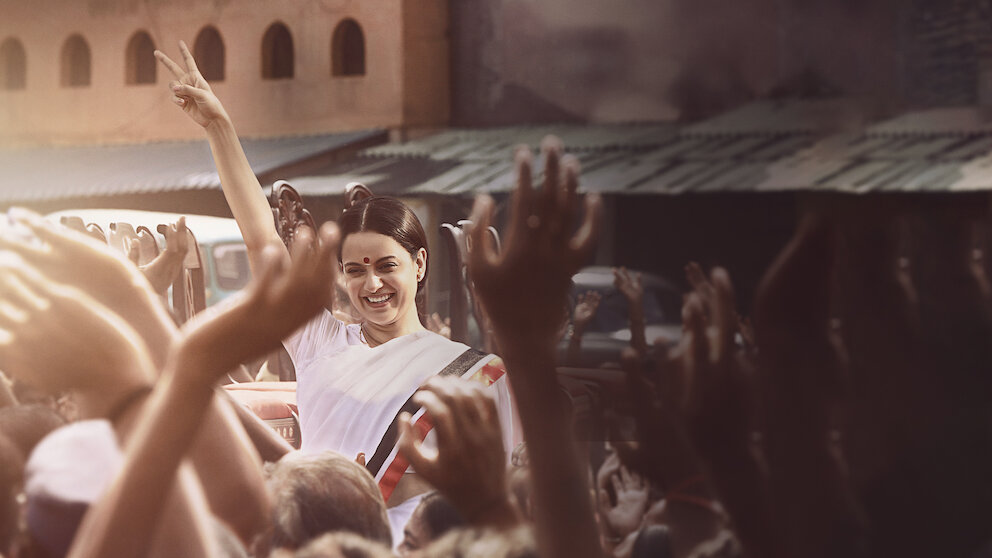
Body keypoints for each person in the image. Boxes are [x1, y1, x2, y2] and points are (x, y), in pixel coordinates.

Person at [154, 41, 520, 539]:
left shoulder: (474, 373)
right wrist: (218, 126)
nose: (372, 284)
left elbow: (500, 493)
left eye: (387, 266)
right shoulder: (319, 341)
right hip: (312, 544)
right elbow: (262, 240)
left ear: (419, 264)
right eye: (355, 270)